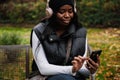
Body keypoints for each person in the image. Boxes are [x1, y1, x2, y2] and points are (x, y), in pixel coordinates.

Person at [30, 0, 100, 80]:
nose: (67, 15)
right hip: (45, 77)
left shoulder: (81, 32)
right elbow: (44, 69)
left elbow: (81, 69)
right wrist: (71, 69)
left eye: (70, 11)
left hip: (73, 77)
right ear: (51, 12)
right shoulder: (39, 31)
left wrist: (91, 69)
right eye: (62, 11)